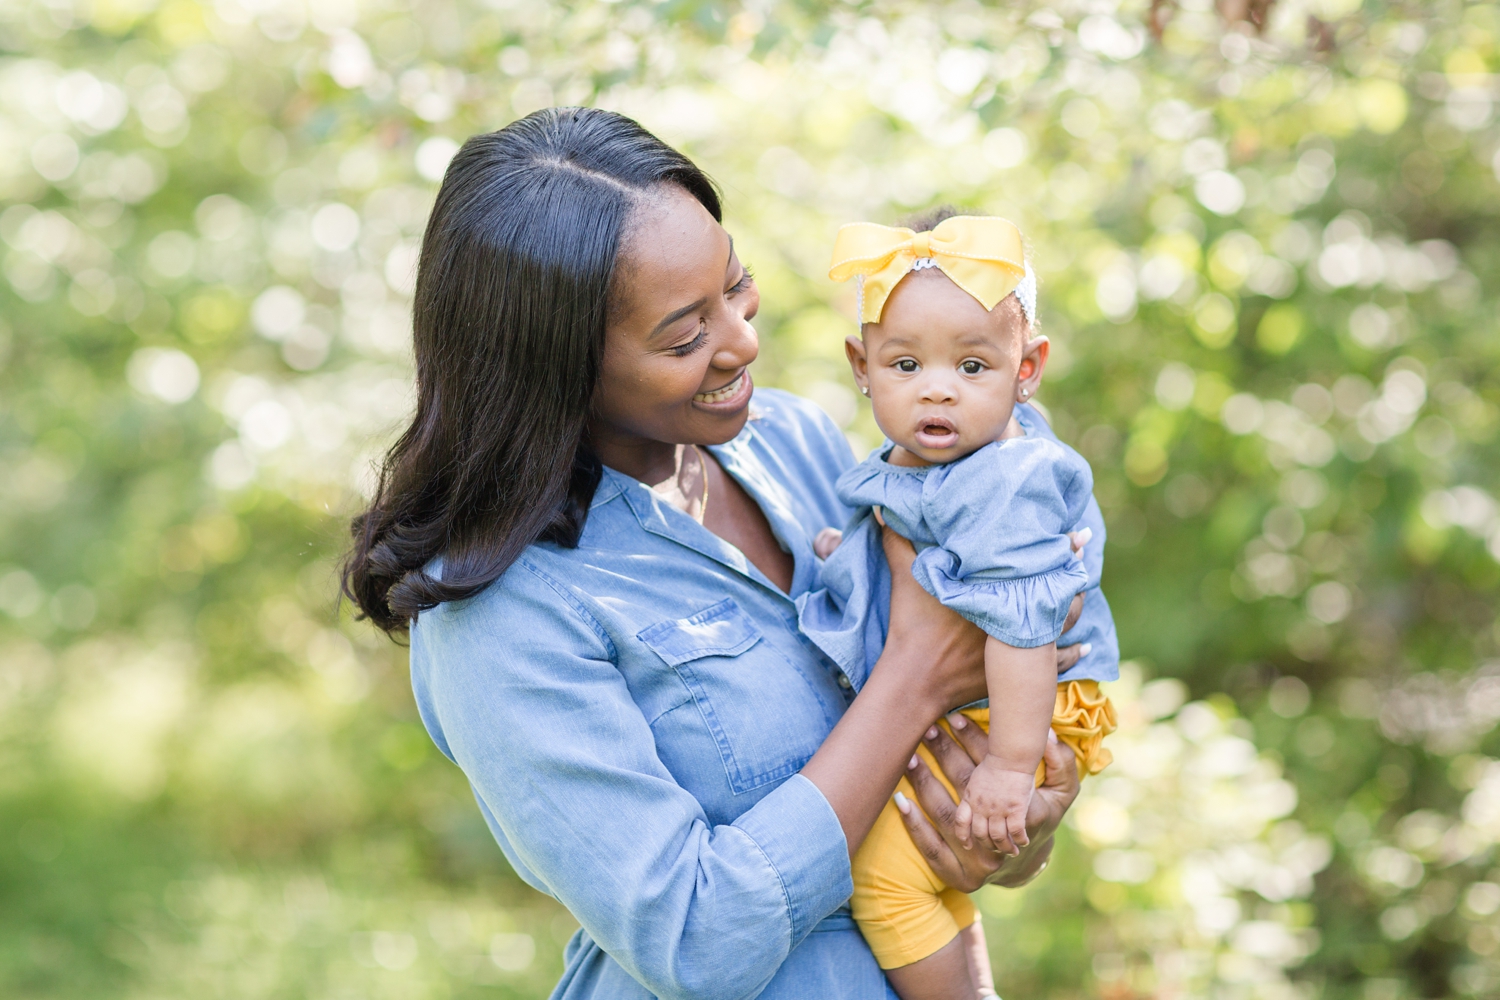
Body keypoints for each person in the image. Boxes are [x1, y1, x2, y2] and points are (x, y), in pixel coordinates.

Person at [342, 107, 1083, 999]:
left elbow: (933, 807)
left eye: (739, 287)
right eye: (685, 336)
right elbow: (694, 940)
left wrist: (1009, 826)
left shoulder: (799, 445)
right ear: (557, 369)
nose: (742, 342)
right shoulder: (502, 614)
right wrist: (917, 675)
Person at [799, 211, 1119, 999]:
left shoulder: (1003, 480)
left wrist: (1011, 767)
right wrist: (856, 565)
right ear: (861, 366)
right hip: (982, 705)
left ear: (1029, 366)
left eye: (973, 366)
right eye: (906, 363)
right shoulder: (926, 461)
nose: (937, 386)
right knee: (928, 869)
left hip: (1018, 708)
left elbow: (1018, 624)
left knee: (880, 879)